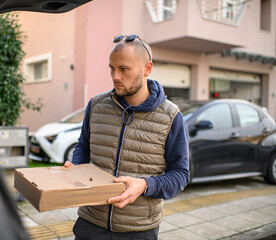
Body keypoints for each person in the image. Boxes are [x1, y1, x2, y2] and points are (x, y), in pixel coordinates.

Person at [64, 34, 190, 240]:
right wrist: (77, 169)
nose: (115, 76)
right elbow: (83, 147)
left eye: (123, 69)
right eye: (112, 68)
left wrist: (144, 185)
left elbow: (181, 175)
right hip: (90, 223)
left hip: (138, 230)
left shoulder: (171, 117)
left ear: (147, 69)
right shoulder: (96, 105)